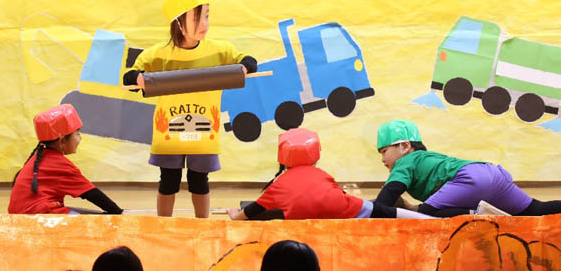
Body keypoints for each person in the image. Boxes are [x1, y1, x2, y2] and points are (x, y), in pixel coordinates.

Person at [123, 0, 257, 218]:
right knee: (168, 180)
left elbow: (248, 61)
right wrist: (139, 78)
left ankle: (202, 225)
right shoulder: (158, 54)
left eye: (207, 16)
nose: (204, 24)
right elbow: (130, 76)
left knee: (199, 180)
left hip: (204, 133)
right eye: (197, 18)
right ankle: (163, 224)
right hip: (169, 132)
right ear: (178, 22)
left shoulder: (220, 50)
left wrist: (244, 67)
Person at [227, 128, 433, 220]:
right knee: (385, 211)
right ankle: (427, 219)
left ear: (283, 157)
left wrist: (236, 215)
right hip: (343, 209)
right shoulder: (320, 174)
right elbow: (338, 193)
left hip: (305, 218)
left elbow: (255, 208)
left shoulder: (279, 184)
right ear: (315, 154)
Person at [374, 119, 561, 217]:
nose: (382, 159)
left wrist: (369, 213)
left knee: (427, 216)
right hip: (491, 173)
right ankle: (488, 213)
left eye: (384, 151)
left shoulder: (406, 161)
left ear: (405, 146)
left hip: (469, 179)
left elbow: (391, 191)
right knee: (535, 210)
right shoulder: (426, 160)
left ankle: (483, 216)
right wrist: (409, 206)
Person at [8, 104, 123, 215]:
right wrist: (118, 213)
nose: (80, 138)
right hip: (36, 217)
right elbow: (92, 194)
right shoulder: (60, 165)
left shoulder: (41, 155)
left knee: (90, 214)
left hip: (23, 214)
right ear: (62, 141)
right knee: (90, 222)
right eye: (77, 134)